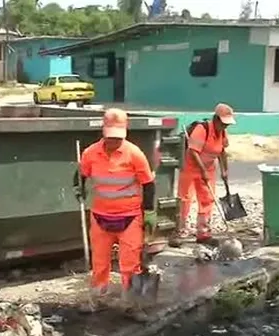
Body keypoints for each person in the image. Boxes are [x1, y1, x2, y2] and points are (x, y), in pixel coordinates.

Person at [74, 108, 157, 311]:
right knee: (100, 263)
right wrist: (79, 186)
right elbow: (81, 175)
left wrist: (149, 212)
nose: (114, 141)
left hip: (129, 218)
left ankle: (131, 304)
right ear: (103, 132)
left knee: (130, 265)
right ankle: (98, 298)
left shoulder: (134, 154)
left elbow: (148, 184)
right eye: (110, 137)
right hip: (100, 216)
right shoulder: (90, 153)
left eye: (118, 137)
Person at [171, 103, 235, 246]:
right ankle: (180, 232)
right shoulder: (202, 129)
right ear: (216, 119)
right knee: (185, 199)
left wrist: (225, 170)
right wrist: (202, 171)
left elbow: (222, 151)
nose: (225, 127)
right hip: (190, 167)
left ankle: (203, 233)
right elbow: (193, 152)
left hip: (209, 168)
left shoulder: (223, 132)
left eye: (227, 125)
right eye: (223, 123)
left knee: (207, 199)